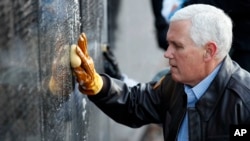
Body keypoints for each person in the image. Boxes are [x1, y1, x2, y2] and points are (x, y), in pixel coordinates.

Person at [70, 4, 250, 141]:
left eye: (177, 46)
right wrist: (97, 84)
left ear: (209, 51)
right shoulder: (174, 84)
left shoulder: (244, 100)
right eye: (169, 43)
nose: (167, 53)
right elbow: (136, 103)